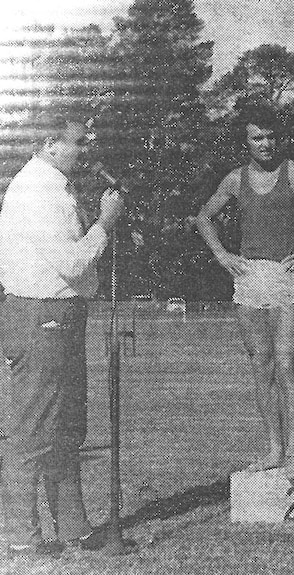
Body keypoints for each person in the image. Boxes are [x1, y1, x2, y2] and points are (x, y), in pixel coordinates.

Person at [197, 105, 294, 479]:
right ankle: (274, 450)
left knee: (286, 366)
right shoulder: (235, 180)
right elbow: (204, 216)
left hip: (286, 277)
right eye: (257, 138)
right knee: (261, 367)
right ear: (246, 141)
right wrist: (220, 253)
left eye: (270, 137)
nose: (265, 144)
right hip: (249, 278)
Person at [0, 117, 125, 557]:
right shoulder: (35, 190)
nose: (86, 148)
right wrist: (105, 224)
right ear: (49, 143)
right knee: (34, 428)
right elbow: (71, 263)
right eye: (77, 142)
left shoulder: (56, 186)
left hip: (63, 314)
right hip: (40, 315)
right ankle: (20, 535)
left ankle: (74, 528)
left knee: (67, 426)